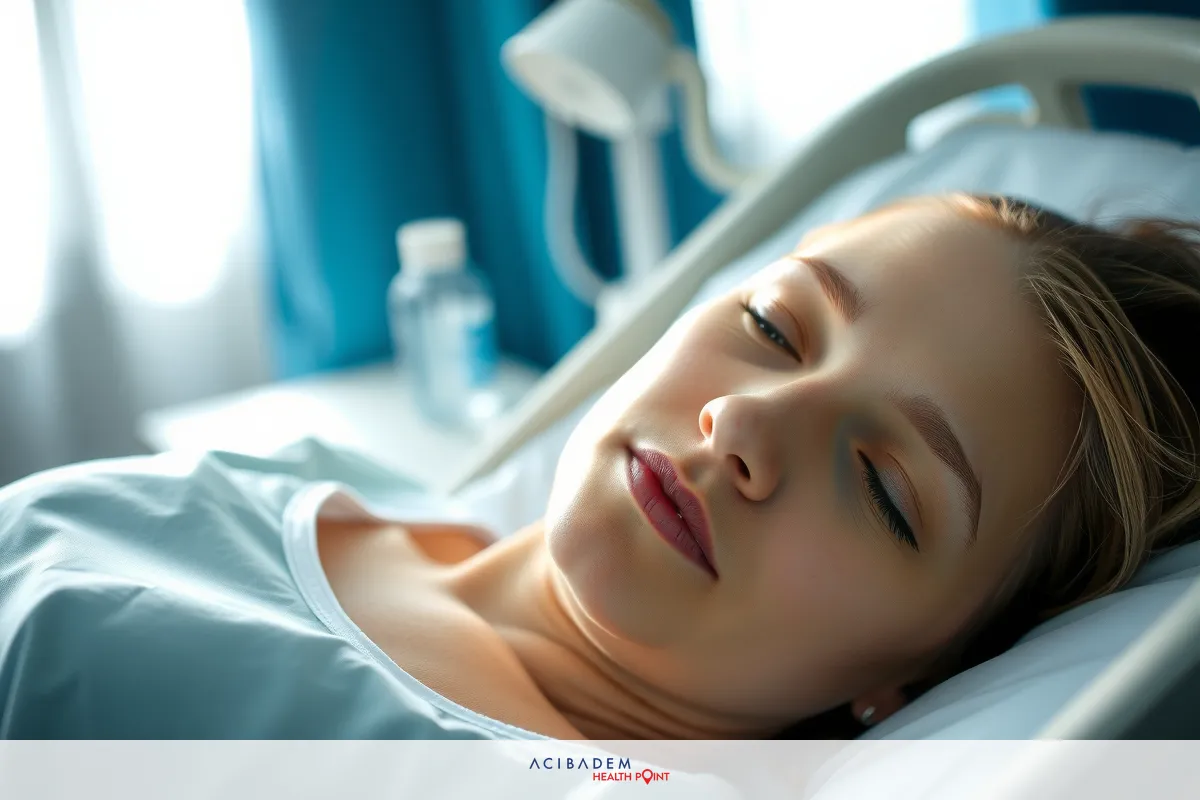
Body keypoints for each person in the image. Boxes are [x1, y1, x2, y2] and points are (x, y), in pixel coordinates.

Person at [1, 193, 1198, 740]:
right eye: (776, 324)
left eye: (885, 488)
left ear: (922, 672)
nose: (743, 420)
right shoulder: (316, 471)